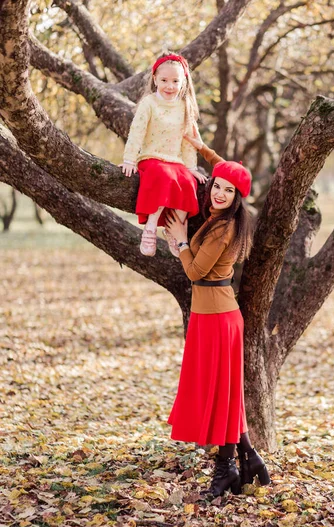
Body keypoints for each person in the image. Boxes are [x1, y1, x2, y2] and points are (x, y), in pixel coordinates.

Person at [164, 136, 271, 497]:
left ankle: (226, 470)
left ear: (238, 198)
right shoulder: (218, 215)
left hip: (219, 320)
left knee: (221, 398)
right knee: (223, 397)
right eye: (216, 186)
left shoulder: (224, 227)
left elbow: (195, 271)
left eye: (228, 191)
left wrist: (180, 239)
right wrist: (201, 146)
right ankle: (248, 458)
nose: (219, 193)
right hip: (211, 317)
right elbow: (228, 170)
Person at [120, 54, 206, 257]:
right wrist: (129, 159)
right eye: (164, 80)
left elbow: (188, 141)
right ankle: (150, 228)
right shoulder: (149, 103)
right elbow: (137, 132)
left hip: (175, 161)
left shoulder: (185, 107)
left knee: (187, 182)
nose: (170, 86)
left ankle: (173, 229)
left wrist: (192, 168)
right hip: (152, 158)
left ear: (184, 82)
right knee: (164, 176)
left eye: (176, 81)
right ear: (155, 79)